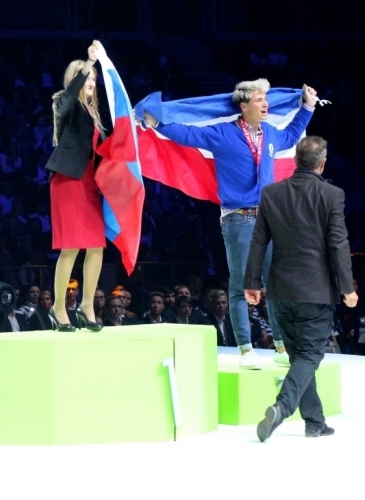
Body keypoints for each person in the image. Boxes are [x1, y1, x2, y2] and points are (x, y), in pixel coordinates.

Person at [143, 79, 319, 369]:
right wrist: (157, 124)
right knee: (241, 286)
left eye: (266, 99)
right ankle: (246, 349)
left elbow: (291, 136)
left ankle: (280, 346)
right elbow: (186, 134)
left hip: (270, 218)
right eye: (260, 99)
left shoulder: (271, 134)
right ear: (244, 105)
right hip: (238, 218)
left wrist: (308, 108)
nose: (266, 104)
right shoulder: (224, 134)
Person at [244, 136, 357, 442]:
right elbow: (337, 242)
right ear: (322, 163)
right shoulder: (331, 194)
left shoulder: (272, 193)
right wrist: (347, 287)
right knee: (309, 356)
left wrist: (251, 283)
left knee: (299, 356)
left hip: (280, 290)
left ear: (295, 161)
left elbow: (258, 241)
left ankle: (314, 421)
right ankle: (281, 408)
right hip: (315, 291)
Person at [44, 41, 105, 333]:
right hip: (68, 181)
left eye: (94, 78)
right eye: (87, 78)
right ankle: (58, 307)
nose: (92, 82)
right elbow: (69, 97)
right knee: (71, 247)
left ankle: (87, 305)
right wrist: (90, 63)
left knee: (96, 246)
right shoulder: (64, 103)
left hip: (90, 183)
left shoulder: (94, 113)